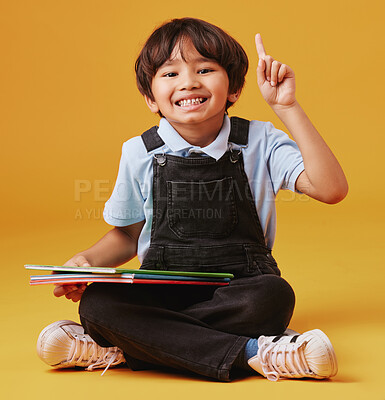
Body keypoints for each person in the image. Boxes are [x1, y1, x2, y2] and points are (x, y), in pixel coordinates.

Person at [36, 17, 348, 382]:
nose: (189, 82)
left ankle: (127, 346)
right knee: (98, 303)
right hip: (161, 290)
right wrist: (85, 262)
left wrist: (287, 107)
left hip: (238, 290)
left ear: (233, 87)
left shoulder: (260, 140)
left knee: (273, 296)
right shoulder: (139, 151)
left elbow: (331, 189)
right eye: (170, 73)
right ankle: (255, 353)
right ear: (151, 98)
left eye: (205, 69)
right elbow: (127, 236)